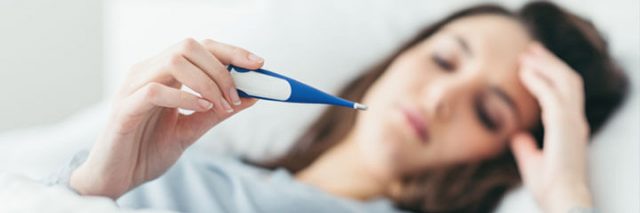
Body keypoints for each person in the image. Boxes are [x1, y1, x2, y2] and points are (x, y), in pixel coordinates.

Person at [60, 2, 628, 213]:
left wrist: (567, 199)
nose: (438, 98)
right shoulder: (171, 168)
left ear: (506, 153)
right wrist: (98, 186)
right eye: (446, 61)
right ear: (396, 59)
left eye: (489, 112)